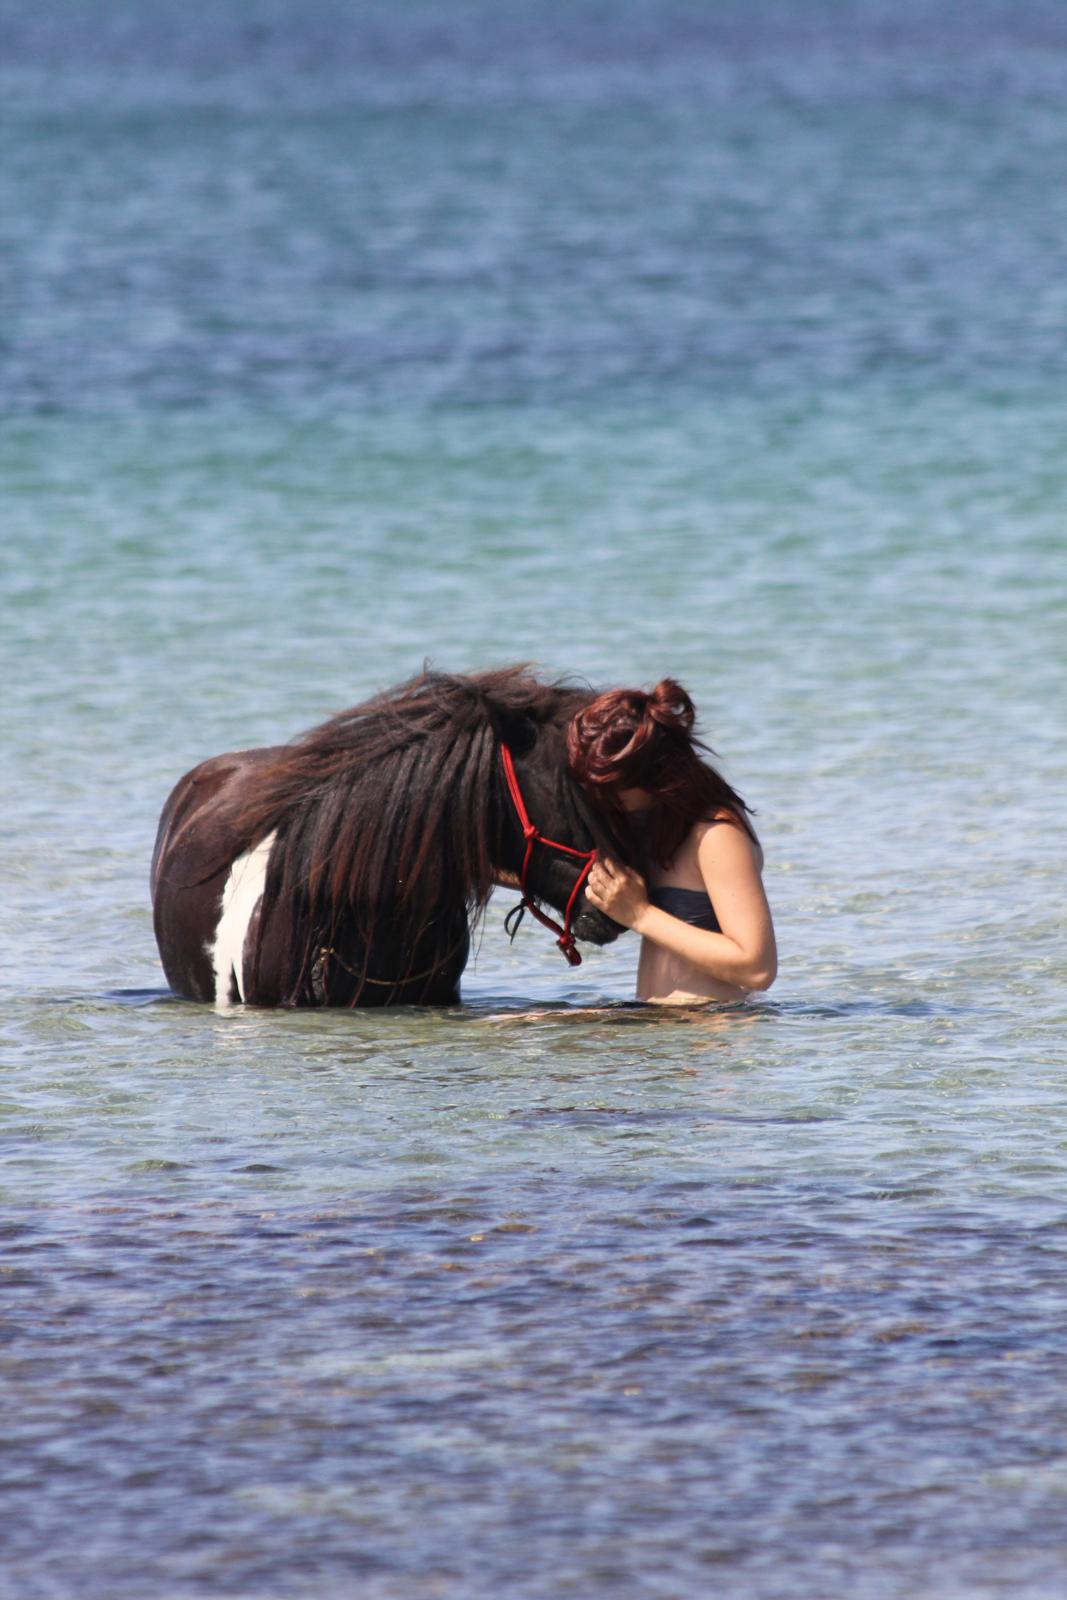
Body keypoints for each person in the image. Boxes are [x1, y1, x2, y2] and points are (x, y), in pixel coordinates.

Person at [568, 680, 777, 1005]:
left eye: (610, 789)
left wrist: (639, 915)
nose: (600, 799)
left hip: (713, 1037)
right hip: (664, 1033)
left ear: (655, 775)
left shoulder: (716, 832)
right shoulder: (650, 823)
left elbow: (758, 968)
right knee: (516, 1027)